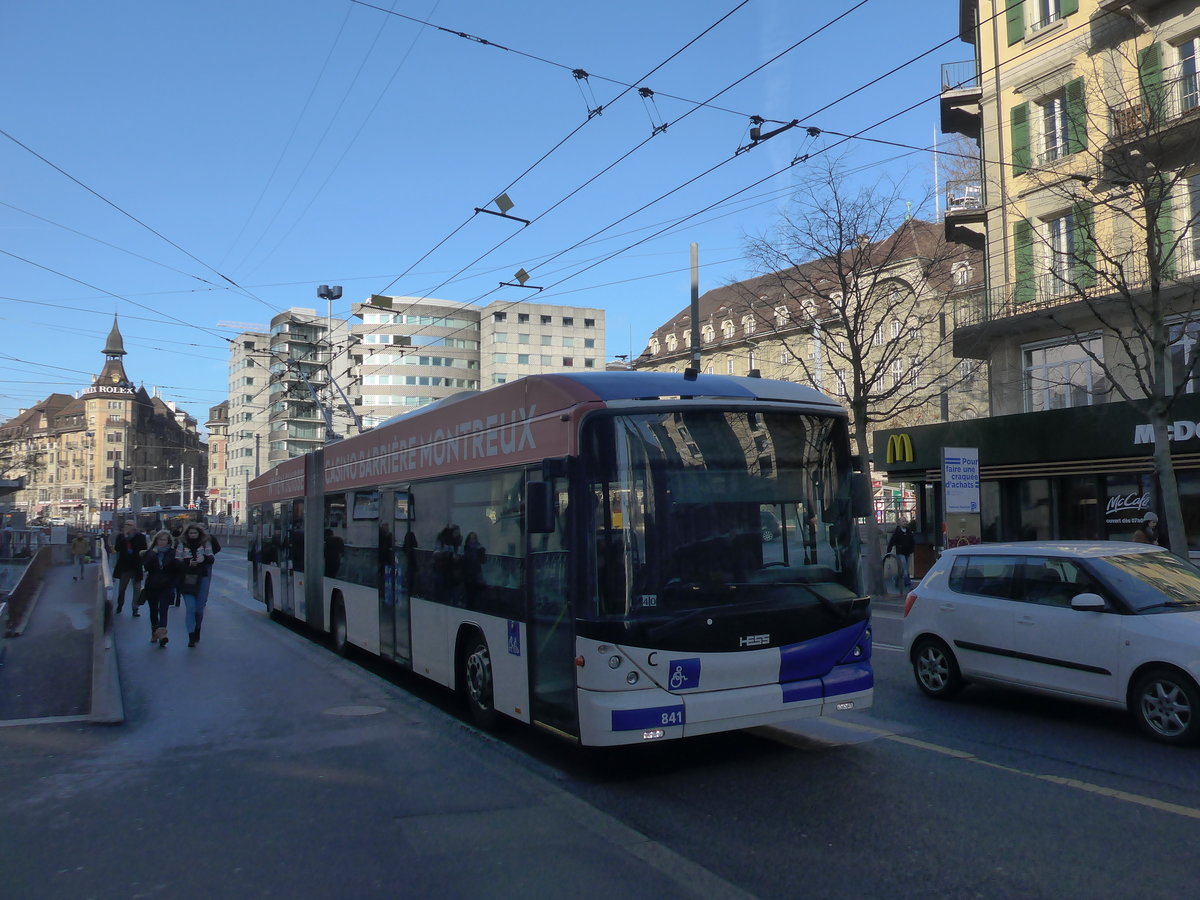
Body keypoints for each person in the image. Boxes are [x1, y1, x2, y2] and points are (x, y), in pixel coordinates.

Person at [176, 523, 216, 647]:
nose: (193, 535)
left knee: (199, 609)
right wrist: (188, 562)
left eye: (195, 533)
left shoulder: (205, 544)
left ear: (199, 534)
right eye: (191, 533)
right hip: (187, 578)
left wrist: (203, 559)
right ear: (187, 534)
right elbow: (177, 560)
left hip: (202, 577)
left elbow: (211, 558)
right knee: (190, 608)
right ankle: (191, 636)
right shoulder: (182, 544)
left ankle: (197, 628)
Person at [140, 530, 179, 647]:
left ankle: (162, 635)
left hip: (166, 585)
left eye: (164, 540)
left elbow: (176, 568)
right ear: (156, 540)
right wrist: (153, 554)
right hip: (152, 585)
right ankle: (154, 632)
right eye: (160, 539)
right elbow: (146, 566)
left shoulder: (172, 553)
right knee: (153, 610)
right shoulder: (150, 552)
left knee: (163, 610)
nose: (162, 542)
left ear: (168, 541)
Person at [111, 519, 148, 614]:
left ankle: (135, 608)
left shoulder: (141, 537)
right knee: (122, 588)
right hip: (125, 567)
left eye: (130, 525)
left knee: (137, 589)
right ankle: (120, 604)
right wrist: (125, 538)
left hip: (136, 567)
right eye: (126, 524)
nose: (128, 526)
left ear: (135, 526)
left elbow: (144, 550)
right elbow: (117, 548)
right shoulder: (121, 536)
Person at [886, 519, 917, 590]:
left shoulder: (908, 531)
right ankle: (908, 584)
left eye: (905, 521)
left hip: (908, 552)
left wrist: (912, 549)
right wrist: (888, 552)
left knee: (903, 570)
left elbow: (912, 541)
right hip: (900, 553)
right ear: (899, 523)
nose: (905, 522)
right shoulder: (897, 532)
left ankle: (895, 578)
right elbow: (891, 542)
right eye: (903, 521)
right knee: (905, 570)